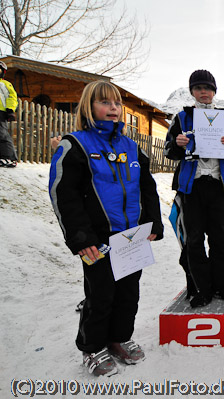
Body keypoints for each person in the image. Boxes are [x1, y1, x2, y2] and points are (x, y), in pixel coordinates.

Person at [49, 81, 164, 377]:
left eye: (116, 103)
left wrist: (153, 222)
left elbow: (147, 188)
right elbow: (64, 194)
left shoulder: (131, 146)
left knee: (128, 293)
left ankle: (119, 337)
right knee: (100, 294)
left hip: (132, 237)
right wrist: (80, 236)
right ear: (88, 107)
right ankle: (92, 346)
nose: (113, 108)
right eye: (104, 102)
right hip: (96, 239)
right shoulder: (74, 145)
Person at [165, 69, 224, 308]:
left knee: (221, 238)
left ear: (214, 92)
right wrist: (178, 144)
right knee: (194, 240)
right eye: (199, 88)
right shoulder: (181, 117)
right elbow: (169, 150)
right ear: (192, 92)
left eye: (208, 88)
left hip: (218, 186)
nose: (204, 92)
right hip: (192, 186)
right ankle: (200, 289)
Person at [0, 61, 18, 167]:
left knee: (2, 134)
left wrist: (10, 110)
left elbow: (12, 97)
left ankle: (9, 157)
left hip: (1, 112)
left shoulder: (4, 84)